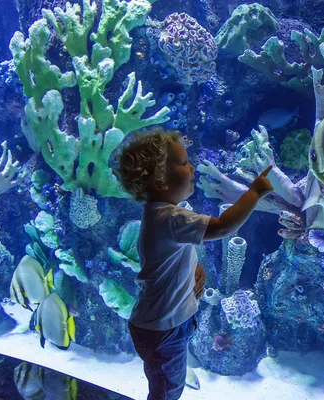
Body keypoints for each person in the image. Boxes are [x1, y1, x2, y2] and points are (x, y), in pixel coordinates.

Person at [115, 128, 274, 400]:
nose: (191, 168)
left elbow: (167, 260)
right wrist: (254, 192)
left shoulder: (156, 217)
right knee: (167, 393)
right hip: (164, 330)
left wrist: (193, 274)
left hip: (161, 326)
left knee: (165, 388)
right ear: (160, 181)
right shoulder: (170, 218)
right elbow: (224, 227)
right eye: (182, 163)